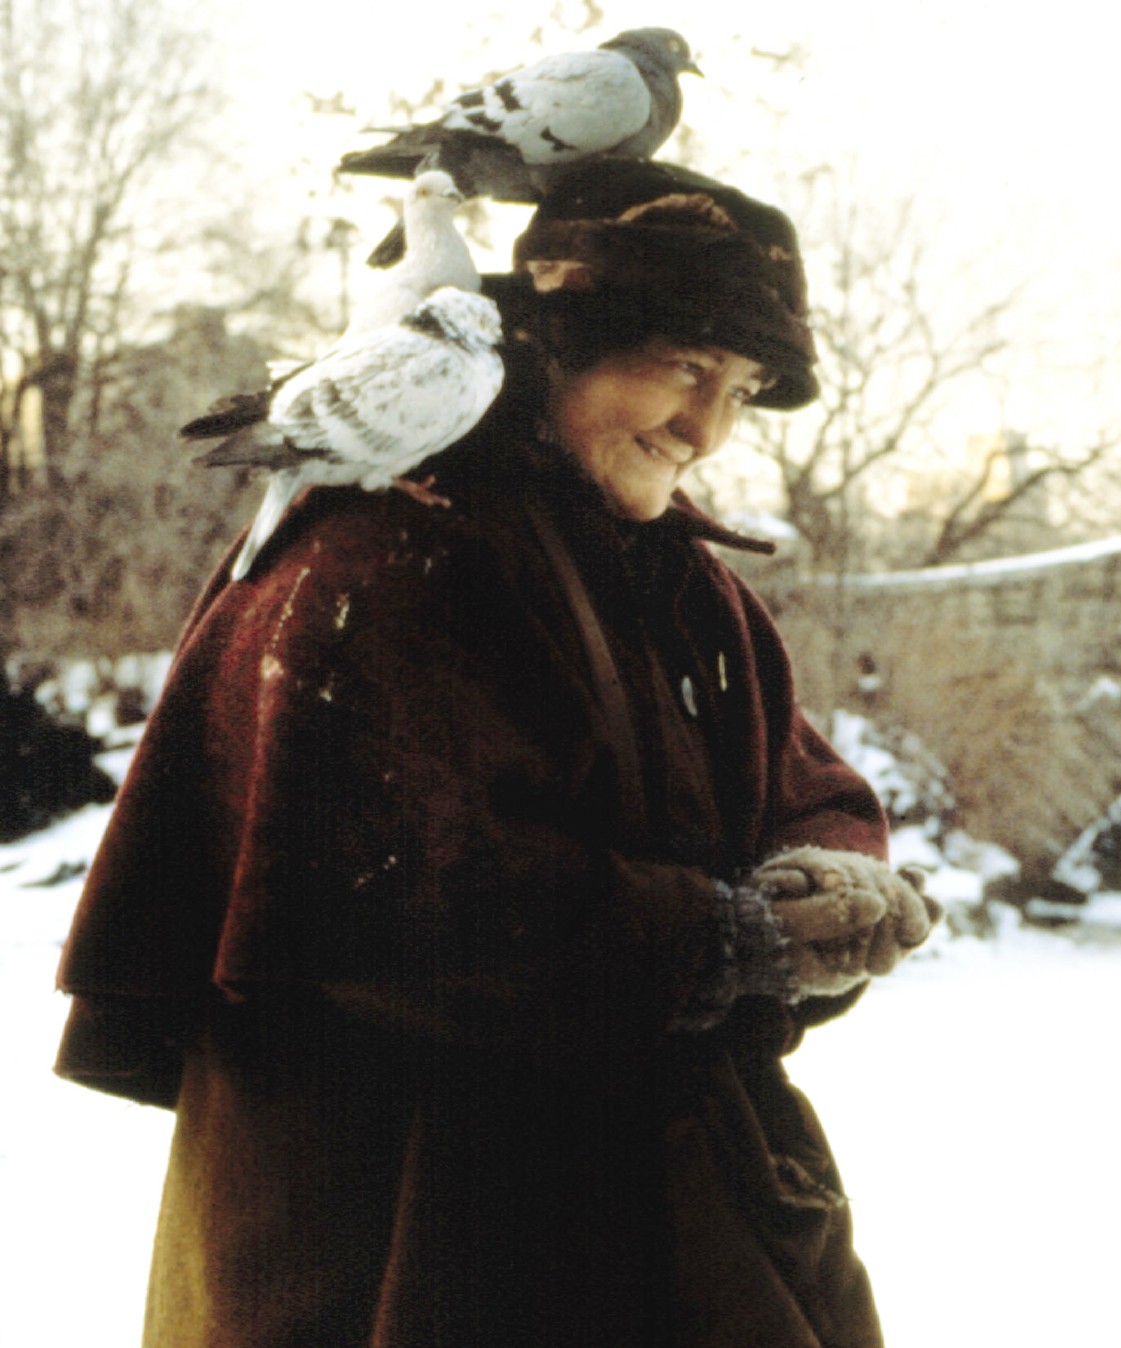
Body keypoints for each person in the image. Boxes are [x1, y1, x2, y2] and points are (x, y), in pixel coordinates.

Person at [54, 160, 938, 1347]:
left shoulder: (685, 584)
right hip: (405, 1237)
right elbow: (386, 899)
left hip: (669, 1216)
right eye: (681, 366)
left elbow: (804, 783)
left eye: (741, 384)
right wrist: (717, 939)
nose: (707, 427)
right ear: (554, 346)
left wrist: (829, 875)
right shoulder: (378, 559)